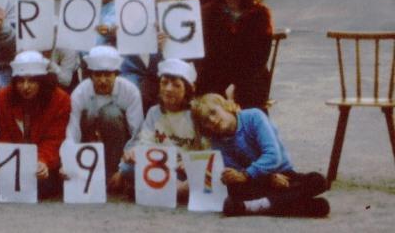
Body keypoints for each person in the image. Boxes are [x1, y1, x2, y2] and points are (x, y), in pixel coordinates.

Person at [191, 93, 330, 218]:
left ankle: (250, 207)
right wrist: (265, 179)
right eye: (206, 121)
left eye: (213, 112)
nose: (213, 120)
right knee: (233, 189)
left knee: (318, 180)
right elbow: (235, 173)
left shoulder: (253, 116)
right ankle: (280, 204)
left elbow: (273, 155)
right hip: (257, 182)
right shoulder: (217, 142)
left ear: (225, 106)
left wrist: (248, 174)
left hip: (282, 174)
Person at [107, 58, 206, 198]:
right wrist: (134, 154)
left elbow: (208, 147)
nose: (168, 89)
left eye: (176, 85)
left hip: (186, 169)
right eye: (164, 83)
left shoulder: (196, 113)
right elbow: (145, 142)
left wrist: (190, 162)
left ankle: (165, 189)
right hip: (161, 166)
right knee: (127, 168)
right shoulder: (154, 112)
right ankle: (168, 189)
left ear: (188, 90)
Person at [0, 51, 70, 199]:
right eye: (20, 81)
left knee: (44, 185)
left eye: (32, 81)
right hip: (12, 162)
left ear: (42, 81)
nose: (25, 87)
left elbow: (54, 139)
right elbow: (2, 136)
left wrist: (43, 161)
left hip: (44, 161)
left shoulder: (60, 99)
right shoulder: (2, 98)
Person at [199, 0, 274, 110]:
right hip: (215, 76)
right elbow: (205, 53)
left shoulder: (260, 14)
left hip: (249, 78)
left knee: (249, 96)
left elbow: (259, 58)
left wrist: (237, 85)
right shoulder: (207, 12)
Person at [66, 46, 144, 179]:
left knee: (110, 113)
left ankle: (112, 172)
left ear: (116, 74)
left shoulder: (130, 92)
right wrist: (70, 162)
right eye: (98, 75)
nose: (102, 80)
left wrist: (122, 168)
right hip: (88, 140)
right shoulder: (80, 93)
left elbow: (137, 134)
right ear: (90, 75)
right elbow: (72, 131)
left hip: (117, 144)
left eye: (107, 75)